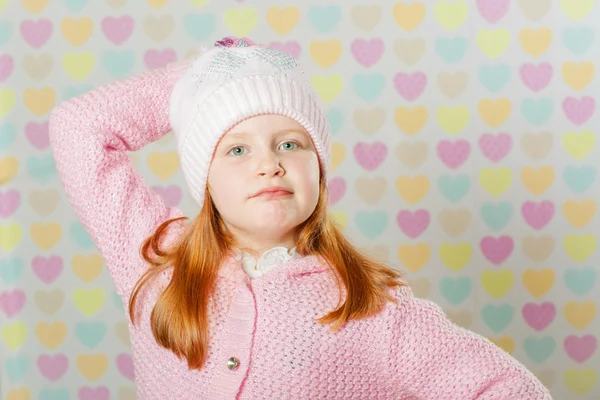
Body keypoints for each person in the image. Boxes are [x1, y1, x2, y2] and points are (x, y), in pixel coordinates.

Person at [49, 36, 552, 399]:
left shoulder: (369, 307)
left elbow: (506, 390)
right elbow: (77, 127)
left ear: (319, 169)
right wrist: (196, 79)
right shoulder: (156, 260)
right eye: (237, 149)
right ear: (204, 177)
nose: (269, 162)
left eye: (290, 143)